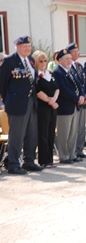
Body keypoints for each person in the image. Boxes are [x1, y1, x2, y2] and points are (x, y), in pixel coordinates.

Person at [0, 35, 43, 174]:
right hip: (17, 103)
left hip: (31, 101)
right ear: (17, 47)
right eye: (24, 46)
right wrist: (8, 99)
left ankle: (29, 161)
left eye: (29, 46)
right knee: (17, 135)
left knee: (32, 133)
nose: (27, 49)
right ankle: (13, 164)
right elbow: (2, 82)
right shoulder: (9, 61)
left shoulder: (30, 60)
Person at [53, 49, 85, 164]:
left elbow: (79, 84)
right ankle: (64, 156)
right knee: (64, 133)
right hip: (64, 107)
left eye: (70, 59)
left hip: (74, 106)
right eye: (66, 59)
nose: (69, 61)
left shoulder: (71, 70)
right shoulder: (57, 72)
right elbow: (63, 89)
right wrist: (77, 98)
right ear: (60, 60)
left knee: (73, 133)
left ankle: (72, 154)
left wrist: (82, 95)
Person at [33, 50, 59, 168]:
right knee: (43, 133)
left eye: (45, 61)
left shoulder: (50, 73)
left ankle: (50, 160)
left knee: (51, 133)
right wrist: (50, 101)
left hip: (52, 107)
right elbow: (37, 91)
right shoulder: (35, 75)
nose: (43, 63)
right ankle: (43, 160)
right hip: (42, 108)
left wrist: (54, 99)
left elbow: (57, 88)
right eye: (40, 61)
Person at [67, 42, 86, 158]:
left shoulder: (79, 66)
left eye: (78, 51)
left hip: (83, 100)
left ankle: (80, 150)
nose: (77, 53)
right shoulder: (68, 67)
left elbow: (85, 82)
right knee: (74, 128)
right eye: (74, 52)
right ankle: (73, 151)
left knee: (81, 127)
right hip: (75, 101)